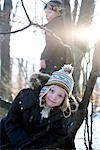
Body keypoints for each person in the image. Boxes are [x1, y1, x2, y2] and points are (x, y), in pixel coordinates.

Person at [0, 64, 91, 149]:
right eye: (52, 90)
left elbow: (56, 136)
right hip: (6, 135)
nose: (54, 97)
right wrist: (24, 145)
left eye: (60, 96)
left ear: (64, 100)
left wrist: (34, 147)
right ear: (46, 88)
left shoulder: (62, 114)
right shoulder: (26, 96)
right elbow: (12, 121)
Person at [40, 0, 73, 74]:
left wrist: (44, 57)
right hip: (63, 59)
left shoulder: (53, 25)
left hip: (54, 59)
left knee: (46, 81)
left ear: (58, 12)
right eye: (46, 13)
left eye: (49, 13)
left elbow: (52, 42)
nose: (46, 15)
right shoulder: (63, 23)